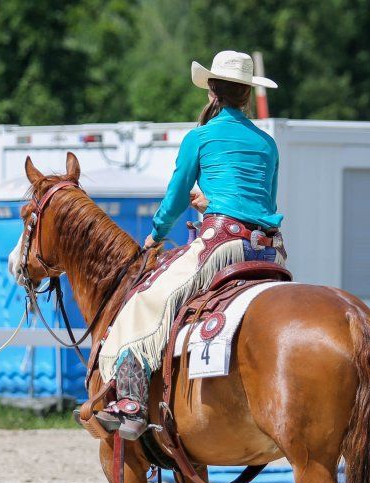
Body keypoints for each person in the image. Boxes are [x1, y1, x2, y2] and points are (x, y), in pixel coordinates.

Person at [95, 50, 285, 440]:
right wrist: (212, 203)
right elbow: (263, 203)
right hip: (267, 250)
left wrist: (157, 234)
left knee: (145, 300)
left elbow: (176, 195)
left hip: (222, 245)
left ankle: (130, 401)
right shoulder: (267, 145)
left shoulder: (200, 137)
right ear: (247, 95)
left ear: (212, 91)